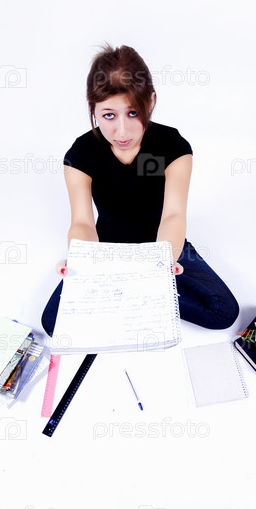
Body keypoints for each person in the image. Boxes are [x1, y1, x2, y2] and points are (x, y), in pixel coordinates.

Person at [41, 44, 239, 336]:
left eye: (133, 113)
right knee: (53, 323)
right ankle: (135, 295)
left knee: (222, 311)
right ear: (92, 107)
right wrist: (85, 261)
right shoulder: (81, 153)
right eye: (109, 115)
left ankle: (122, 295)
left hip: (163, 247)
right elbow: (82, 222)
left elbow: (173, 215)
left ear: (151, 102)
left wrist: (163, 261)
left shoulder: (173, 146)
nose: (122, 132)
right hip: (107, 252)